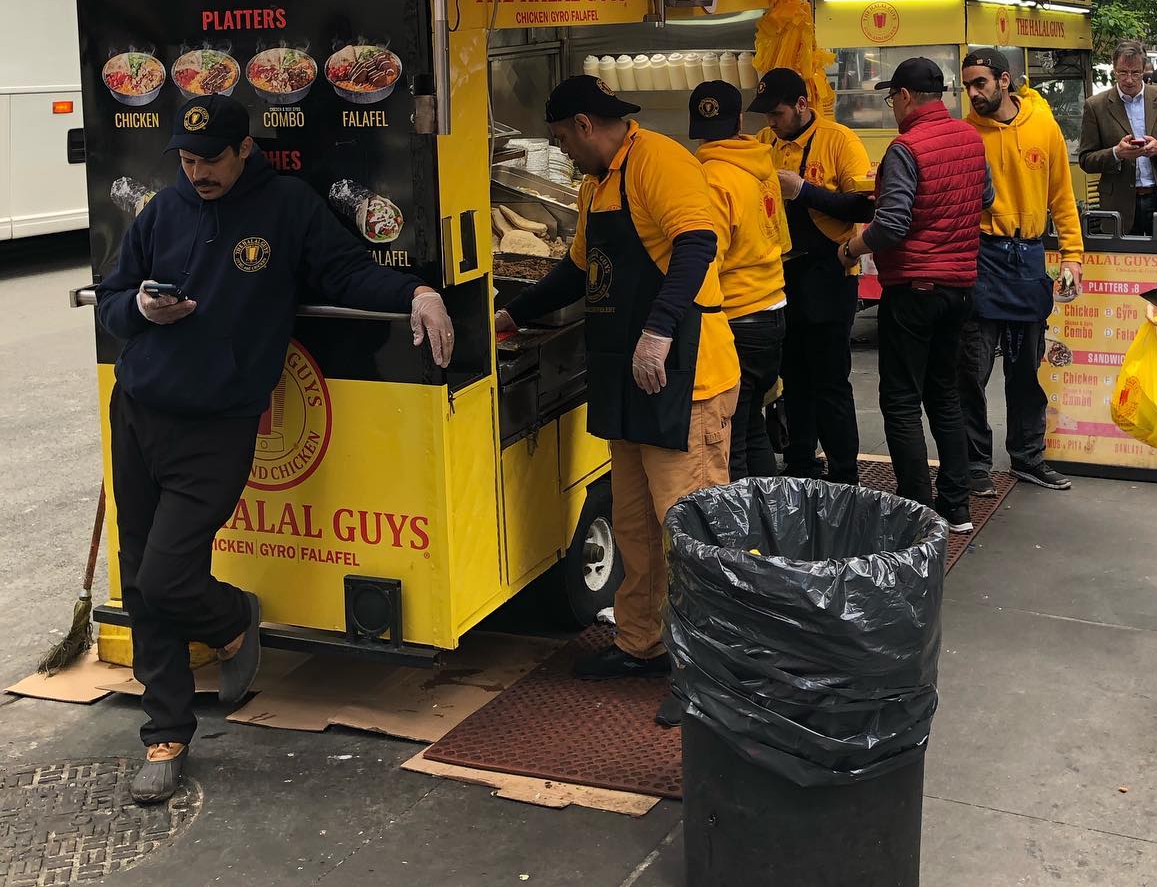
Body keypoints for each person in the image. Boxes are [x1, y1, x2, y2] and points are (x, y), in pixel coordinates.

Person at [94, 96, 454, 805]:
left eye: (210, 160)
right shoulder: (162, 212)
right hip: (138, 410)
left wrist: (418, 290)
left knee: (166, 578)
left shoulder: (286, 207)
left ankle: (231, 619)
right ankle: (166, 733)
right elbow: (110, 301)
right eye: (187, 161)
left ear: (245, 149)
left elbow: (347, 272)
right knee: (141, 575)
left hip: (220, 421)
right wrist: (140, 308)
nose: (197, 173)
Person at [497, 77, 739, 717]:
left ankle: (709, 673)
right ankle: (643, 645)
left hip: (687, 378)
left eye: (558, 139)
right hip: (631, 381)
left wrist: (658, 332)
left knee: (693, 531)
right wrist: (512, 314)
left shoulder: (659, 160)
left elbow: (696, 244)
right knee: (636, 527)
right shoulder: (597, 183)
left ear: (582, 124)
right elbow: (579, 272)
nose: (562, 150)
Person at [838, 58, 991, 530]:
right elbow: (985, 199)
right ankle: (958, 506)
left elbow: (893, 222)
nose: (892, 106)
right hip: (960, 287)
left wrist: (850, 248)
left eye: (892, 98)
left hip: (915, 288)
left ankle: (916, 508)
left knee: (901, 399)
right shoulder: (971, 139)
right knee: (944, 393)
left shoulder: (906, 148)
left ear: (905, 96)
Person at [959, 48, 1083, 493]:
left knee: (1026, 370)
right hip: (981, 256)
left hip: (1029, 257)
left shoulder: (1043, 126)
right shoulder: (965, 134)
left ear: (1005, 81)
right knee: (971, 370)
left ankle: (1028, 458)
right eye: (967, 85)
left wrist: (1072, 256)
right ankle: (974, 465)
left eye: (980, 84)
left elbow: (1063, 198)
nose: (972, 93)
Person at [751, 67, 874, 486]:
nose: (771, 122)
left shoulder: (839, 141)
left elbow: (864, 207)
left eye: (778, 113)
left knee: (830, 381)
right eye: (766, 115)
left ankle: (844, 473)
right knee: (792, 376)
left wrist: (804, 190)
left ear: (802, 105)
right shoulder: (762, 144)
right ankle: (801, 464)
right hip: (780, 275)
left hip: (829, 272)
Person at [688, 79, 787, 480]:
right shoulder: (763, 167)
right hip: (773, 309)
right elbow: (778, 236)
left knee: (733, 442)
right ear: (741, 120)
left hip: (737, 318)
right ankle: (773, 524)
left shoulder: (710, 178)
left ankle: (749, 537)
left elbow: (709, 258)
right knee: (753, 428)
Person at [1079, 39, 1157, 235]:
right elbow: (1086, 159)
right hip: (1119, 203)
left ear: (1145, 70)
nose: (1129, 80)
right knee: (1120, 262)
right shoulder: (1096, 106)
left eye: (1136, 73)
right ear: (1113, 69)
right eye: (1122, 73)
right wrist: (1117, 153)